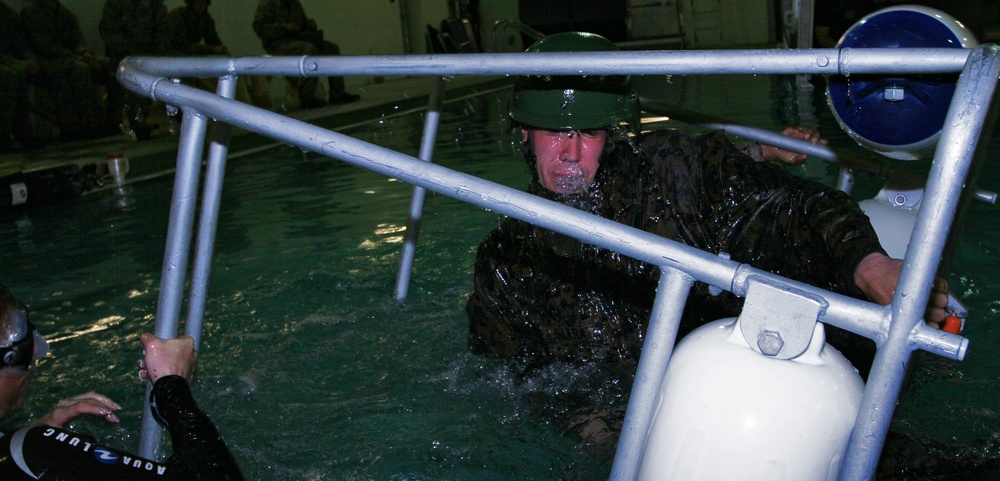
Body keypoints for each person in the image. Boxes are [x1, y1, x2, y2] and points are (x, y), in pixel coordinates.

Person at [465, 32, 949, 378]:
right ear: (525, 133)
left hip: (743, 372)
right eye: (555, 133)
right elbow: (517, 384)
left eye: (587, 133)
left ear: (610, 132)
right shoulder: (508, 261)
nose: (570, 154)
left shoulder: (673, 171)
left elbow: (796, 206)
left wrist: (869, 262)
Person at [0, 284, 260, 481]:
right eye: (20, 353)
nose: (34, 357)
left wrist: (26, 437)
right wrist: (172, 387)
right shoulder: (24, 460)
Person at [20, 0, 112, 140]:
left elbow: (77, 38)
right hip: (46, 59)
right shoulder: (31, 13)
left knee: (106, 67)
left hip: (68, 58)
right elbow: (42, 45)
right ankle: (73, 124)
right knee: (75, 71)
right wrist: (75, 56)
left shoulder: (64, 13)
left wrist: (84, 52)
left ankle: (101, 120)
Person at [252, 0, 360, 109]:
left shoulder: (294, 4)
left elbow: (301, 24)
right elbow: (259, 27)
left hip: (298, 40)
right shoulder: (268, 3)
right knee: (309, 49)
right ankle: (307, 97)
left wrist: (309, 24)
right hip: (278, 44)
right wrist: (283, 27)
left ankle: (337, 94)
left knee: (331, 48)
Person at [99, 0, 170, 139]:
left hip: (148, 55)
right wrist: (132, 51)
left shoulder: (156, 6)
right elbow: (110, 33)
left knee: (145, 77)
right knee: (124, 78)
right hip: (123, 55)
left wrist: (154, 52)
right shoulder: (115, 5)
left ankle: (140, 120)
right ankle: (119, 122)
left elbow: (164, 33)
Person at [0, 1, 42, 151]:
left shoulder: (5, 14)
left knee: (16, 73)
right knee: (8, 75)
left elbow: (20, 44)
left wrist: (28, 60)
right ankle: (4, 136)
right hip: (6, 63)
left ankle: (23, 133)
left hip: (8, 62)